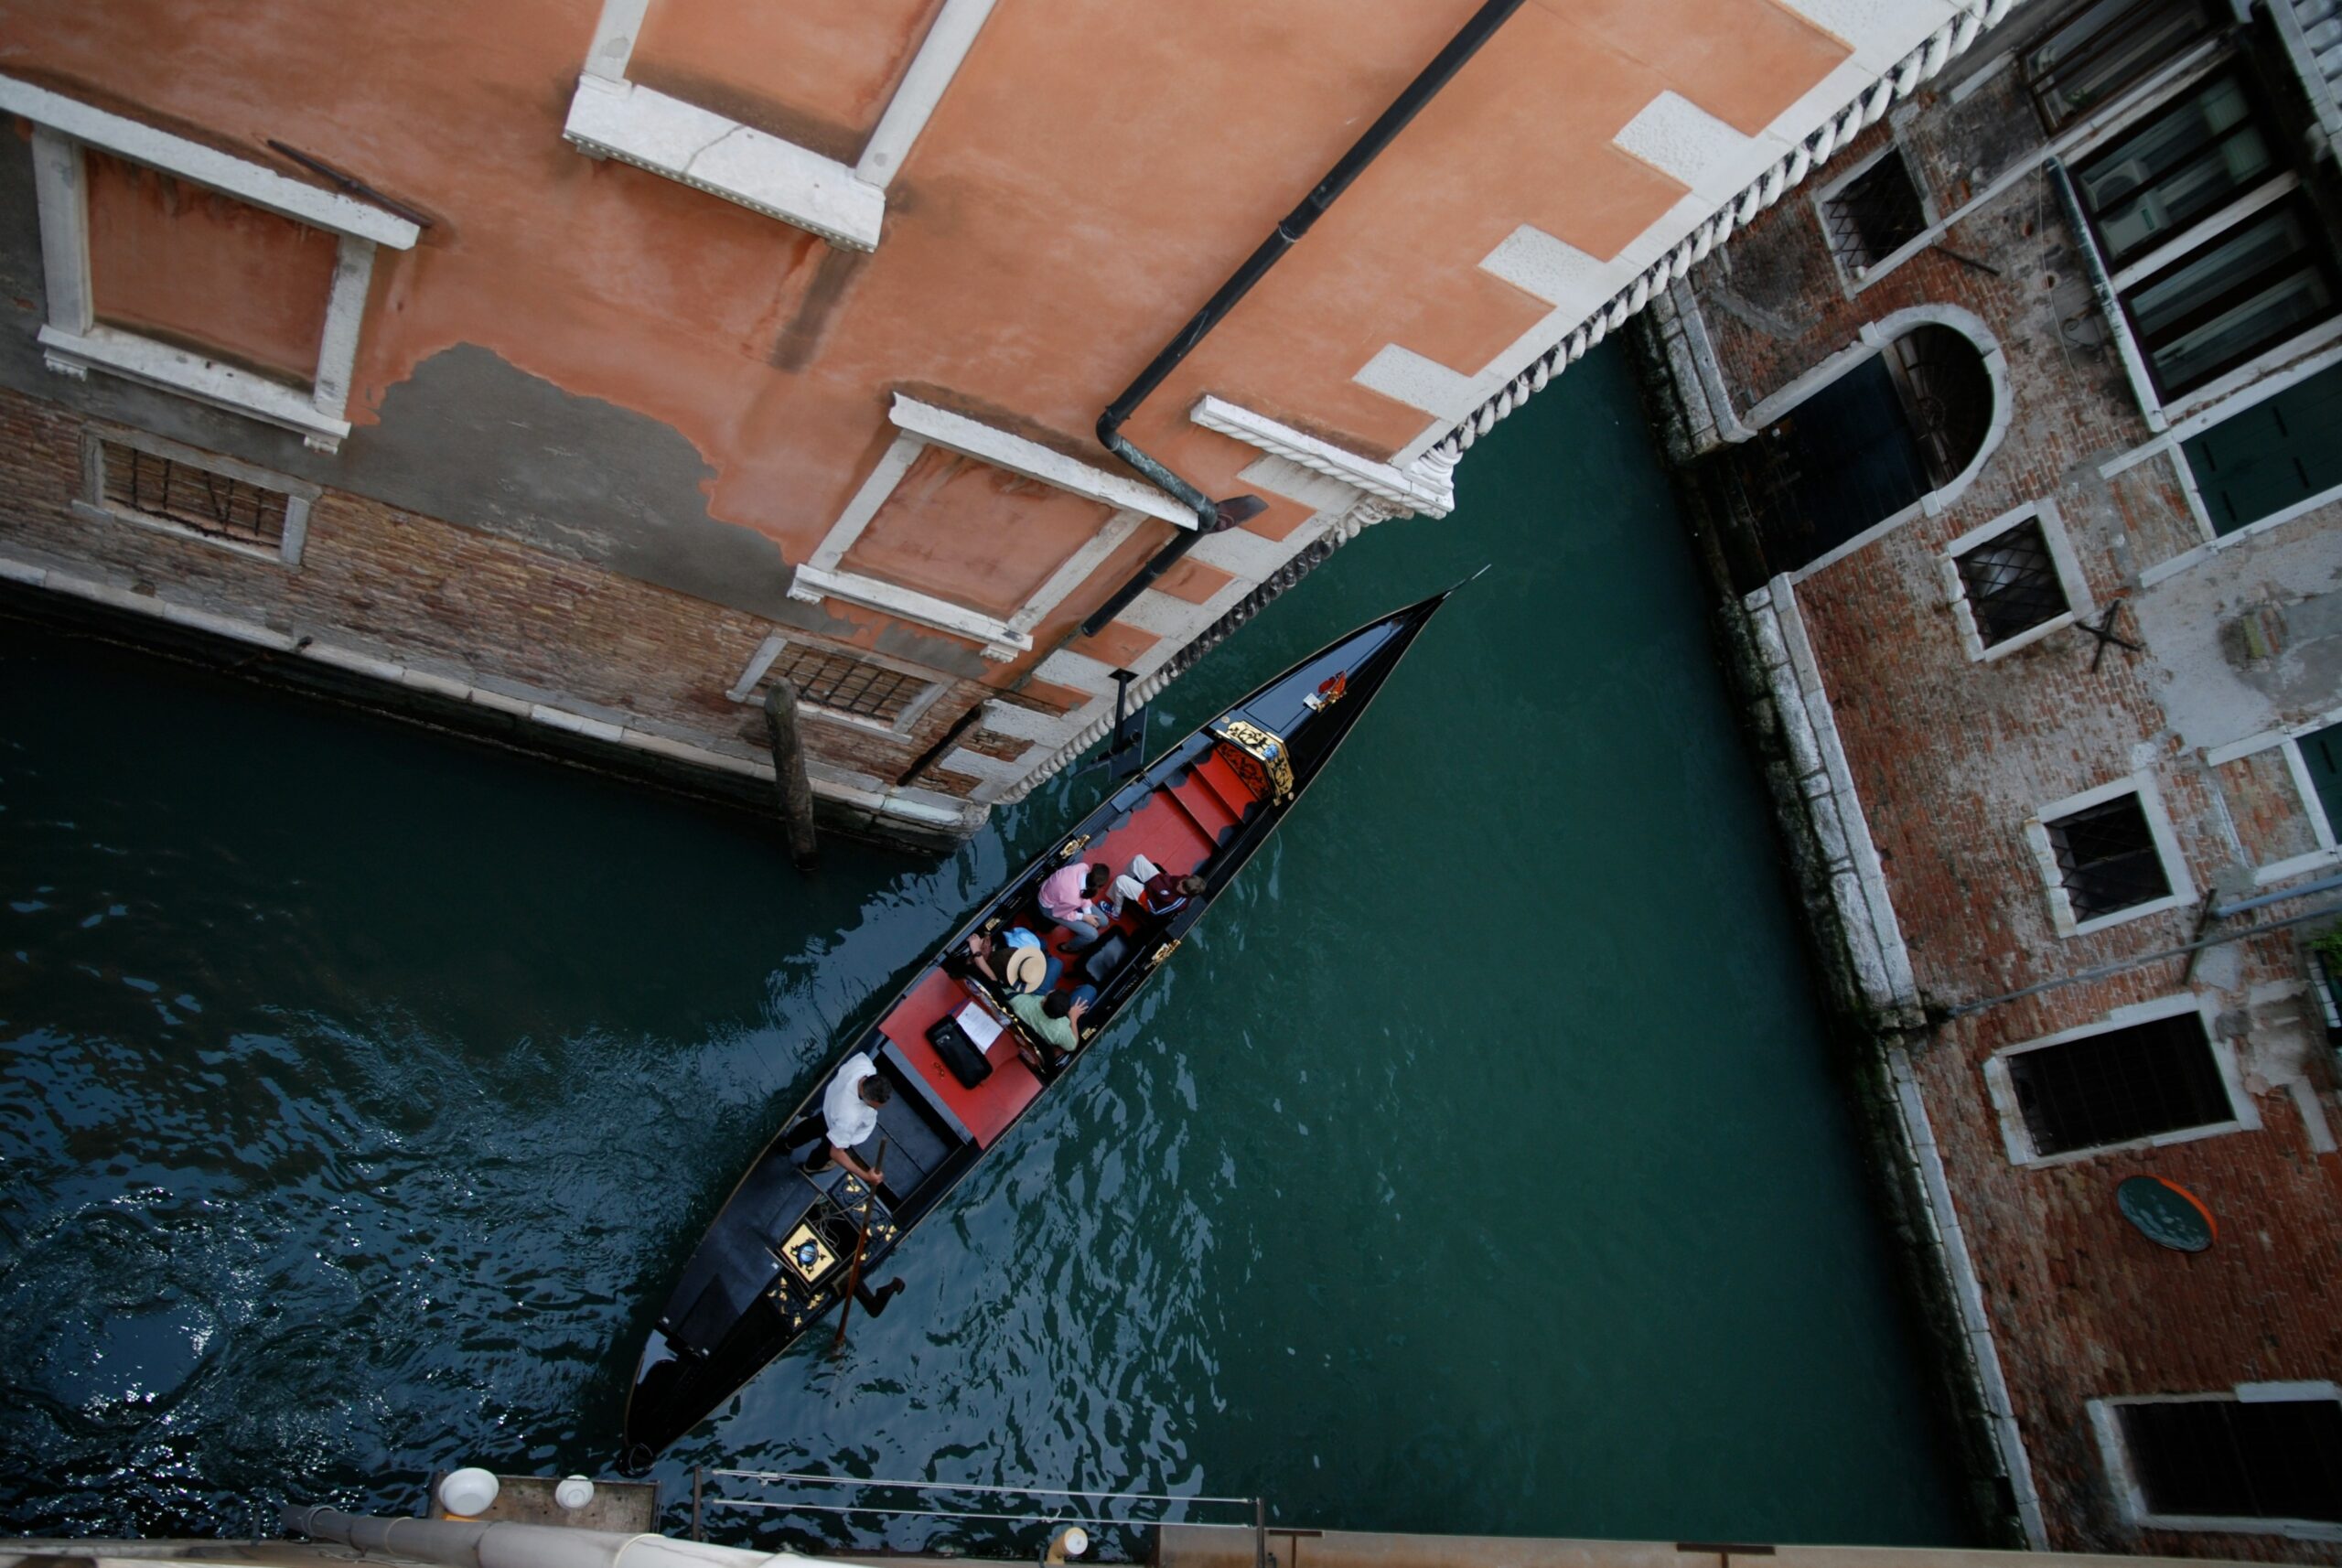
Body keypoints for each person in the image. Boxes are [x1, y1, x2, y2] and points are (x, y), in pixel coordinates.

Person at [800, 1050, 890, 1187]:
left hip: (829, 1108)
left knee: (808, 1128)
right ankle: (809, 1167)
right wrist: (866, 1175)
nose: (876, 1109)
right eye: (873, 1107)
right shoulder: (850, 1119)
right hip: (838, 1126)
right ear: (865, 1097)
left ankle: (788, 1143)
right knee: (823, 1153)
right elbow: (836, 1152)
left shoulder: (864, 1064)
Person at [1038, 861, 1119, 950]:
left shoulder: (1083, 867)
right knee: (1092, 935)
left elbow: (1082, 895)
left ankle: (1081, 929)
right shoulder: (1073, 899)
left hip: (1065, 898)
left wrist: (1088, 913)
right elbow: (1058, 913)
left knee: (1104, 921)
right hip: (1049, 907)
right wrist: (1084, 917)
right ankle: (1067, 947)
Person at [1008, 983, 1092, 1063]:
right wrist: (1073, 1019)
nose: (1052, 990)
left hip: (1025, 1007)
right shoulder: (1060, 1032)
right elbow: (1073, 1045)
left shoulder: (1018, 1003)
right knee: (1090, 990)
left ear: (1044, 1000)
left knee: (1056, 967)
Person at [1112, 854, 1205, 918]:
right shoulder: (1186, 880)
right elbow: (1168, 878)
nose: (1180, 883)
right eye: (1183, 882)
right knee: (1138, 859)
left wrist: (1150, 890)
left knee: (1121, 880)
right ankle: (1122, 890)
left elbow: (1156, 911)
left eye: (1183, 887)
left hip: (1150, 899)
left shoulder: (1177, 904)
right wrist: (1156, 882)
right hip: (1157, 883)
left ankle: (1116, 912)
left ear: (1187, 894)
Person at [964, 929, 1057, 993]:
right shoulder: (1023, 974)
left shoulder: (997, 975)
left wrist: (976, 948)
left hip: (992, 959)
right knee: (1043, 943)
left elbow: (991, 976)